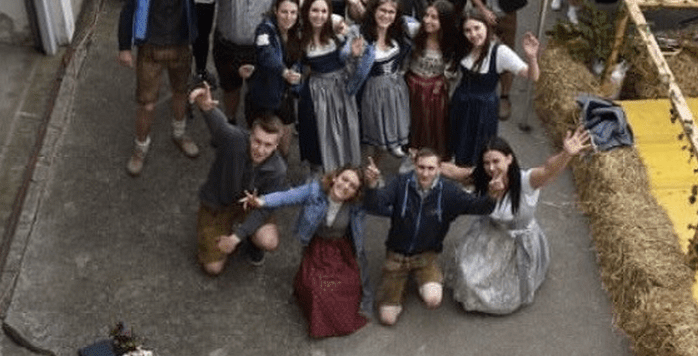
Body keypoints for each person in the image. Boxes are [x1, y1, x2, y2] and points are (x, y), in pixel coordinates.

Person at [443, 130, 592, 314]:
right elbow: (455, 172)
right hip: (489, 235)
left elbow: (548, 170)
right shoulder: (482, 177)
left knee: (493, 288)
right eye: (486, 163)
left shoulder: (526, 181)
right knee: (467, 276)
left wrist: (566, 154)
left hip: (519, 244)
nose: (491, 168)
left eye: (496, 161)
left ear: (509, 159)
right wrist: (430, 163)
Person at [116, 0, 214, 175]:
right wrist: (124, 47)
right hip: (150, 48)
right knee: (147, 103)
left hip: (181, 47)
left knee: (180, 93)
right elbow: (129, 9)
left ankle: (179, 135)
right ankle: (140, 148)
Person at [362, 148, 497, 325]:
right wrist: (372, 186)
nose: (425, 173)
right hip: (397, 255)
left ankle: (420, 277)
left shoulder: (449, 192)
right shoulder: (399, 183)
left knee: (433, 299)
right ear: (414, 165)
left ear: (439, 168)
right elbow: (374, 205)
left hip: (426, 255)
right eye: (421, 167)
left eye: (431, 168)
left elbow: (479, 207)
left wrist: (492, 196)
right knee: (388, 319)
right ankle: (399, 286)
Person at [242, 166, 371, 338]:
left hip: (340, 249)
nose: (346, 186)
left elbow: (379, 201)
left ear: (356, 193)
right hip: (317, 247)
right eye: (344, 179)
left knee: (349, 285)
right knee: (316, 289)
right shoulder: (314, 190)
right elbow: (287, 197)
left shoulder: (356, 205)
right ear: (335, 177)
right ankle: (321, 321)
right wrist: (261, 201)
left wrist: (375, 183)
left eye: (353, 186)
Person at [190, 83, 288, 274]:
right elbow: (219, 125)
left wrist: (236, 238)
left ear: (276, 146)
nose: (260, 150)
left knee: (269, 240)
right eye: (257, 141)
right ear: (250, 135)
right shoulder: (234, 139)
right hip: (218, 204)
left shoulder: (278, 170)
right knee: (213, 268)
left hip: (250, 206)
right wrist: (206, 107)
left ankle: (250, 240)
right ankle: (221, 230)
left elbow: (266, 206)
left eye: (268, 145)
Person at [213, 0, 288, 121]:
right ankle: (230, 122)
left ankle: (258, 129)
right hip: (227, 46)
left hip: (259, 48)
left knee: (260, 91)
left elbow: (283, 4)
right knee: (230, 88)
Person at [449, 9, 540, 167]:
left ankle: (475, 175)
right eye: (467, 30)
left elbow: (533, 76)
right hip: (461, 102)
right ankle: (459, 168)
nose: (473, 34)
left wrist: (532, 57)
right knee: (458, 138)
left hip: (483, 109)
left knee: (479, 146)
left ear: (486, 26)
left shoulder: (500, 52)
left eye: (477, 28)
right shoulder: (464, 46)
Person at [297, 0, 364, 172]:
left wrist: (354, 54)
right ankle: (318, 171)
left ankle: (346, 171)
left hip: (341, 87)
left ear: (329, 13)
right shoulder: (301, 37)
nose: (319, 15)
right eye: (314, 10)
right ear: (307, 11)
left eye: (323, 11)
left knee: (344, 130)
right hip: (316, 89)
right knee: (317, 132)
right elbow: (300, 65)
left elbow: (354, 59)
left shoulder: (338, 34)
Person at [354, 0, 412, 158]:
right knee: (375, 132)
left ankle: (393, 142)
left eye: (391, 12)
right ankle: (370, 167)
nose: (386, 15)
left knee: (393, 118)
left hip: (395, 86)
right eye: (382, 10)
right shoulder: (362, 35)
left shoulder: (398, 34)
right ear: (374, 11)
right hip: (374, 89)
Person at [246, 0, 303, 155]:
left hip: (286, 95)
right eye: (284, 12)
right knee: (263, 148)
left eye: (293, 12)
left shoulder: (297, 31)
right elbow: (266, 53)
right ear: (276, 11)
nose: (289, 17)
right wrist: (283, 71)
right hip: (265, 95)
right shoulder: (264, 29)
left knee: (284, 149)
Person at [406, 0, 459, 159]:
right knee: (412, 123)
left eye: (434, 17)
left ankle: (430, 158)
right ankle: (411, 154)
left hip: (434, 92)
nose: (427, 20)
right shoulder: (416, 32)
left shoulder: (450, 43)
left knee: (431, 125)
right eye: (426, 15)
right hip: (412, 86)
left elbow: (451, 71)